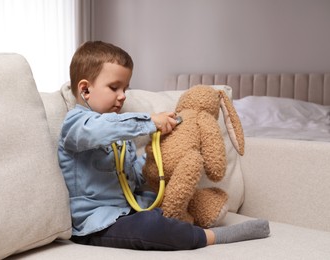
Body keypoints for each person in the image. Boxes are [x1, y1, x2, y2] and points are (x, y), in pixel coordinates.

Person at [58, 40, 270, 250]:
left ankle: (187, 220)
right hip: (96, 224)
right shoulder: (76, 124)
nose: (123, 96)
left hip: (129, 210)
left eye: (125, 88)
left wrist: (159, 153)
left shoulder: (123, 136)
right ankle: (211, 237)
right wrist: (150, 121)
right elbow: (100, 129)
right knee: (151, 226)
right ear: (85, 90)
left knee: (163, 205)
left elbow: (133, 178)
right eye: (114, 88)